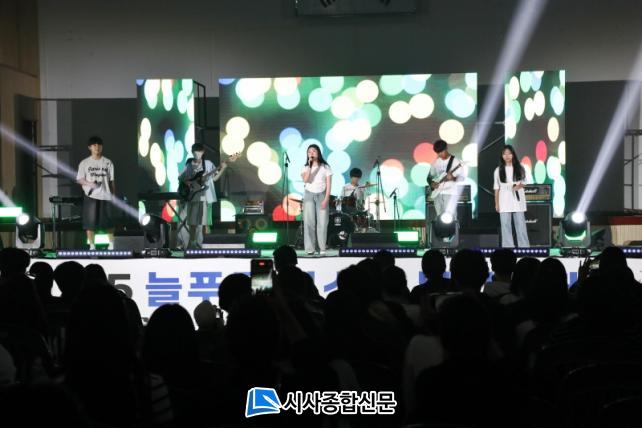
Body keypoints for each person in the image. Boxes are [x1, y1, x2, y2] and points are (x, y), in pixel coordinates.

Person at [178, 143, 227, 248]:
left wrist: (222, 168)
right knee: (192, 221)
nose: (197, 154)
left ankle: (200, 244)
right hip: (193, 196)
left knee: (202, 222)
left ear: (203, 152)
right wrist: (188, 183)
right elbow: (181, 177)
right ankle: (191, 242)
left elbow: (214, 178)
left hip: (205, 196)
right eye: (195, 152)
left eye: (199, 152)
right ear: (192, 152)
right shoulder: (189, 164)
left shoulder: (208, 164)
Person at [76, 136, 115, 250]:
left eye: (99, 145)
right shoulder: (85, 163)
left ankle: (111, 245)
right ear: (90, 147)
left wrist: (113, 195)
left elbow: (112, 181)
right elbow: (79, 179)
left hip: (106, 195)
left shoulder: (108, 162)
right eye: (94, 145)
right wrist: (90, 184)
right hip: (91, 195)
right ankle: (92, 246)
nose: (97, 147)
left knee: (108, 222)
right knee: (90, 222)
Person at [494, 145, 530, 248]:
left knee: (521, 225)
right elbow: (496, 188)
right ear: (502, 156)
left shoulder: (520, 167)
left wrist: (517, 187)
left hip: (517, 198)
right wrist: (497, 203)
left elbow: (524, 182)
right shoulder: (498, 170)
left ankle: (524, 247)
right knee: (505, 225)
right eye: (504, 154)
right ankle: (508, 247)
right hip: (504, 199)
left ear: (513, 154)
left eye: (509, 153)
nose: (507, 156)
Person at [301, 144, 332, 256]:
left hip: (322, 195)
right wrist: (310, 167)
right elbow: (306, 180)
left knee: (322, 222)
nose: (311, 153)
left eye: (314, 151)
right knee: (309, 222)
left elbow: (329, 184)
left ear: (318, 152)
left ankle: (322, 247)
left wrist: (326, 198)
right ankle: (310, 248)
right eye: (309, 152)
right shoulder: (305, 167)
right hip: (309, 194)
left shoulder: (325, 167)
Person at [427, 139, 465, 219]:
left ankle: (454, 227)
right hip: (437, 194)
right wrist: (431, 183)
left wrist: (453, 178)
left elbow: (462, 178)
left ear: (446, 148)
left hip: (450, 193)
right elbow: (429, 177)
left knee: (451, 218)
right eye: (438, 153)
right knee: (439, 218)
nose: (439, 154)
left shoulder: (455, 161)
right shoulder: (436, 162)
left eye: (441, 151)